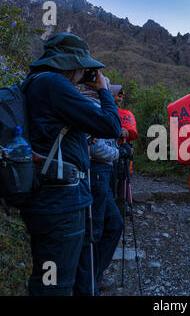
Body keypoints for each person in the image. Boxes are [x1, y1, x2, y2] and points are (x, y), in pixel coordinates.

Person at [21, 33, 122, 296]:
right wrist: (102, 90)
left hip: (55, 197)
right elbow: (111, 125)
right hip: (60, 202)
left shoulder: (37, 82)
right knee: (54, 283)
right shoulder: (54, 84)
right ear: (72, 63)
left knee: (68, 276)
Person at [73, 78, 130, 295]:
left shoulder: (96, 106)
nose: (114, 95)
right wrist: (117, 154)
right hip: (96, 173)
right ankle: (88, 284)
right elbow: (95, 146)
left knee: (113, 224)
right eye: (109, 90)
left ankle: (94, 276)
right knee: (95, 229)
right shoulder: (91, 107)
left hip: (101, 174)